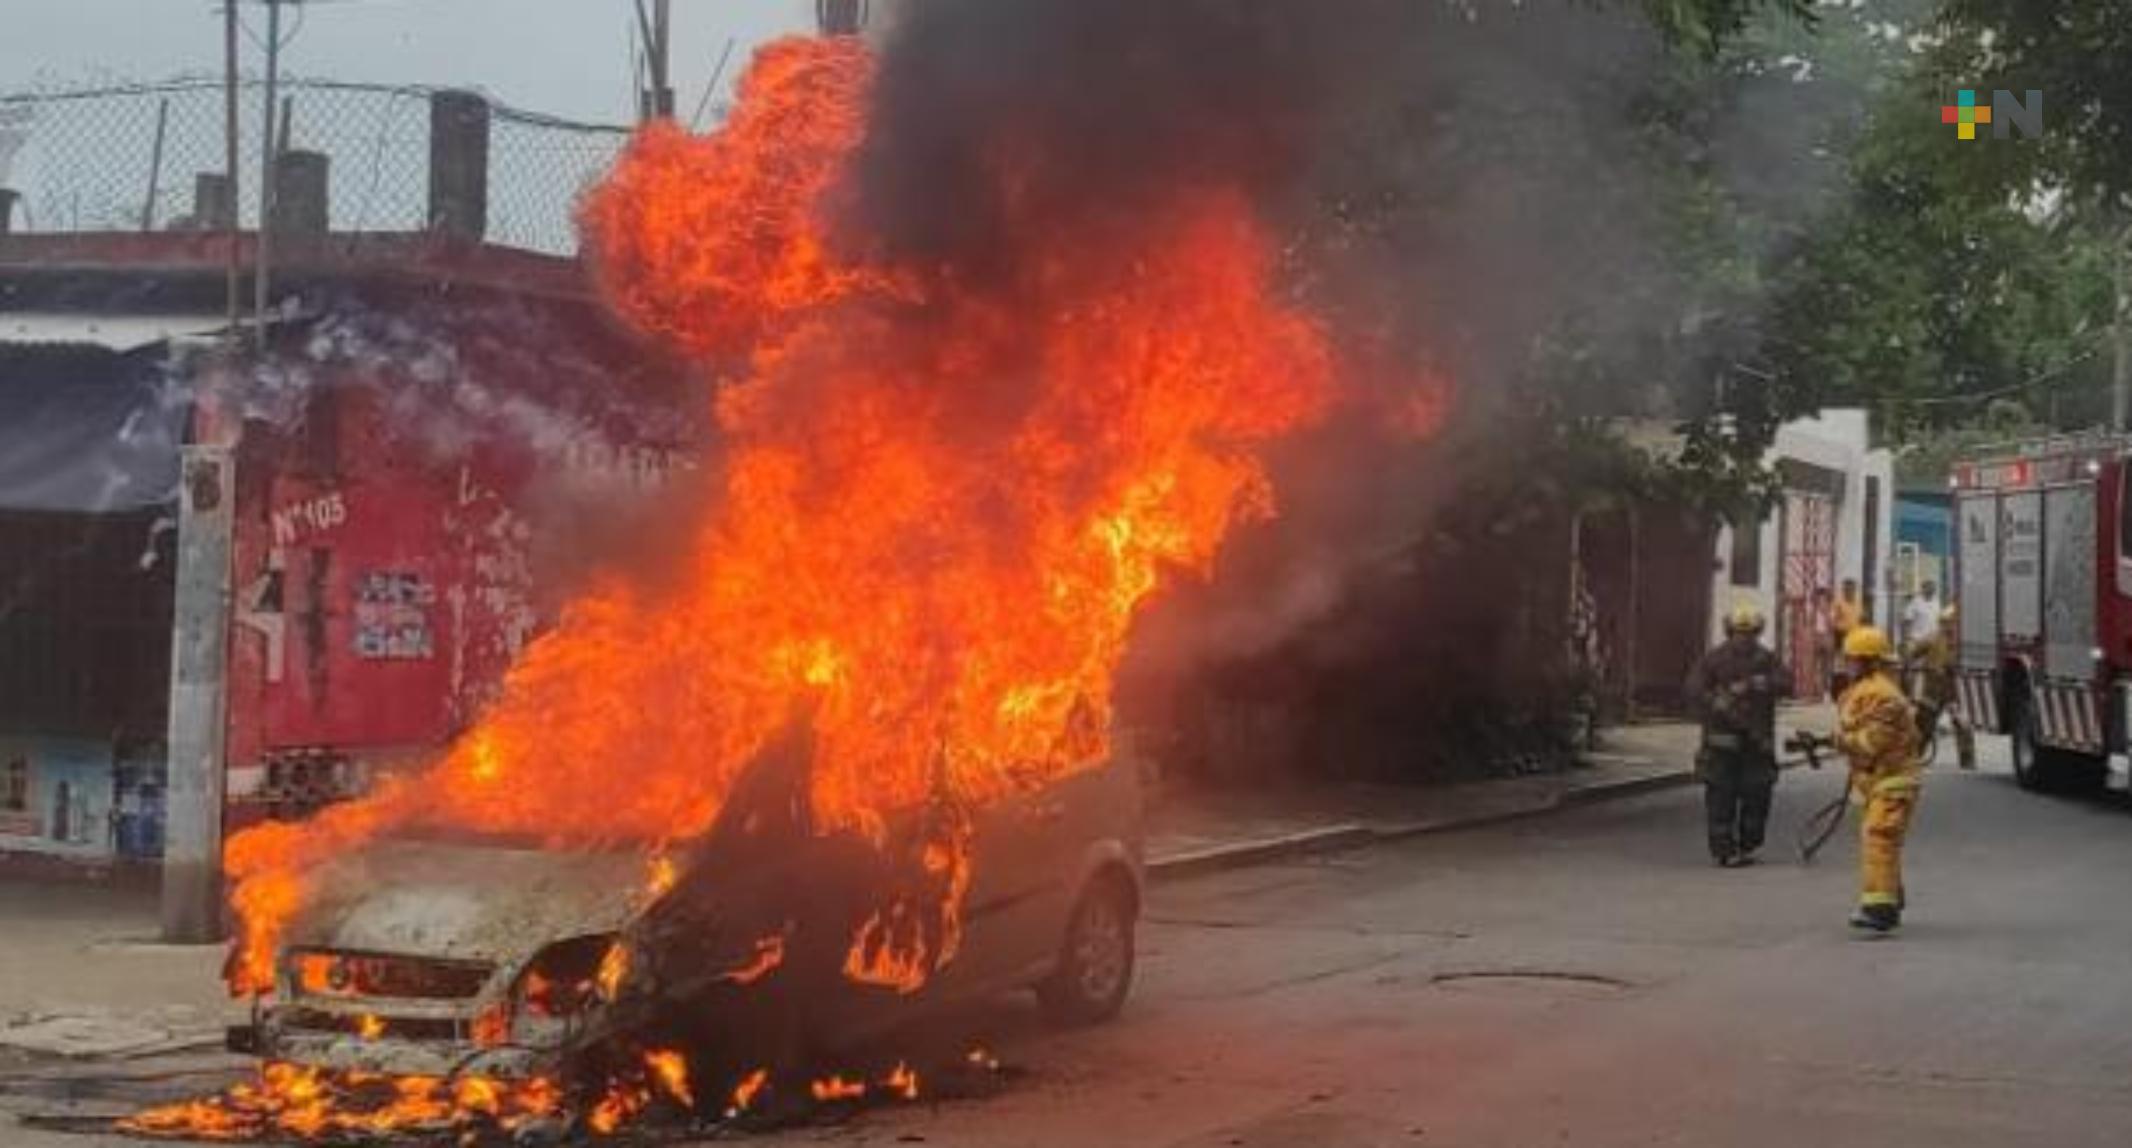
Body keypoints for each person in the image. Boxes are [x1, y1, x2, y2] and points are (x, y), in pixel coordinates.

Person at [1832, 626, 1923, 933]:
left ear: (1869, 661)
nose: (1847, 664)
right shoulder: (1865, 689)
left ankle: (1879, 909)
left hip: (1892, 780)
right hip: (1880, 781)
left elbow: (1873, 742)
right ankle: (1891, 896)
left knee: (1879, 837)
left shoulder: (1881, 693)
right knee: (1884, 840)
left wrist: (1841, 741)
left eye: (1853, 659)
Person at [1686, 602, 1786, 867]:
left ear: (1757, 632)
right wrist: (1715, 701)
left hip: (1757, 741)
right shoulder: (1713, 659)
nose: (1745, 639)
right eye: (1740, 633)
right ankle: (1724, 849)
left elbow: (1787, 683)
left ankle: (1748, 844)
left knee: (1757, 794)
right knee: (1721, 795)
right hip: (1721, 742)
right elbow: (1694, 689)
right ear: (1730, 632)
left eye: (1750, 633)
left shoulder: (1767, 660)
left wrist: (1759, 683)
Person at [1914, 605, 1977, 770]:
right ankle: (1914, 755)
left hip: (1953, 688)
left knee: (1963, 723)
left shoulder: (1961, 642)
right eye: (1947, 622)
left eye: (1952, 622)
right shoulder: (1933, 638)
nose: (1950, 626)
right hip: (1933, 687)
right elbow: (1913, 651)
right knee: (1924, 723)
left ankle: (1967, 760)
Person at [1829, 579, 1864, 700]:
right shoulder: (1838, 603)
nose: (1849, 591)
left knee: (1854, 664)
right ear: (1843, 590)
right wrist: (1840, 630)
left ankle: (1853, 688)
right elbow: (1832, 621)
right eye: (1847, 589)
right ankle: (1839, 690)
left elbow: (1860, 620)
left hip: (1856, 637)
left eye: (1852, 589)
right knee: (1841, 665)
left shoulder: (1858, 603)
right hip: (1842, 636)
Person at [1903, 581, 1942, 650]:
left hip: (1933, 640)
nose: (1931, 590)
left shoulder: (1936, 602)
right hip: (1918, 639)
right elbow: (1907, 620)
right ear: (1923, 589)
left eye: (1933, 589)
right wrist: (1907, 637)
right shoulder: (1915, 602)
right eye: (1928, 588)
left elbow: (1938, 619)